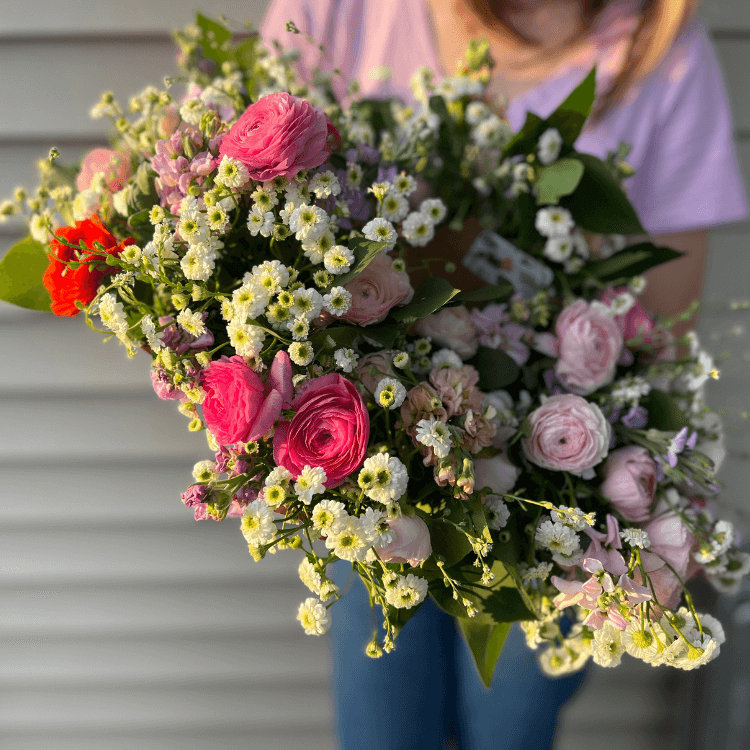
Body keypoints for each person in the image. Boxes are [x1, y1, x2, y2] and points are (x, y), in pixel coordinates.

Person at [260, 1, 749, 748]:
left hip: (552, 503)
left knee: (508, 726)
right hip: (367, 470)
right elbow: (270, 233)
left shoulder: (656, 44)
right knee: (383, 720)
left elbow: (658, 331)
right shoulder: (340, 14)